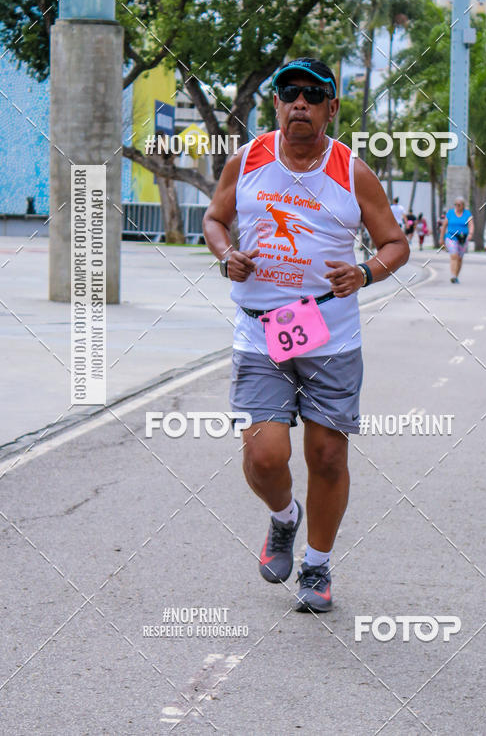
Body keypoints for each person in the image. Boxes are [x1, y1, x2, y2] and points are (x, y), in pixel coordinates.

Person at [202, 57, 409, 613]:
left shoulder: (352, 171)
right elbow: (215, 220)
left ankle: (317, 565)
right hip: (259, 331)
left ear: (331, 108)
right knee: (265, 457)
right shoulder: (246, 161)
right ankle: (283, 518)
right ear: (275, 103)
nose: (300, 102)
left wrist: (365, 272)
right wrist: (226, 257)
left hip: (330, 336)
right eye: (289, 92)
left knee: (327, 456)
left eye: (313, 95)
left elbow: (396, 243)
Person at [440, 196, 474, 283]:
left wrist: (470, 234)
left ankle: (456, 276)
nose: (457, 206)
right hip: (451, 237)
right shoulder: (450, 213)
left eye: (459, 205)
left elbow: (471, 225)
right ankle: (453, 275)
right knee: (454, 256)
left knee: (459, 258)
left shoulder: (467, 213)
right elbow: (444, 226)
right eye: (456, 204)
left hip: (463, 238)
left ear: (463, 205)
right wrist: (441, 239)